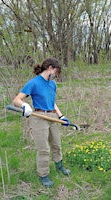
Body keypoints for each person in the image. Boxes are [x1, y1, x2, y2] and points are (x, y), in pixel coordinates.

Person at [12, 57, 71, 187]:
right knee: (43, 149)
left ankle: (59, 166)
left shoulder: (52, 84)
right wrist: (24, 105)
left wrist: (61, 116)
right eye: (56, 73)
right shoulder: (34, 83)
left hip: (52, 117)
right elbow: (17, 99)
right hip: (39, 118)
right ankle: (43, 175)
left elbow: (52, 102)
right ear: (50, 68)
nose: (55, 76)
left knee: (56, 144)